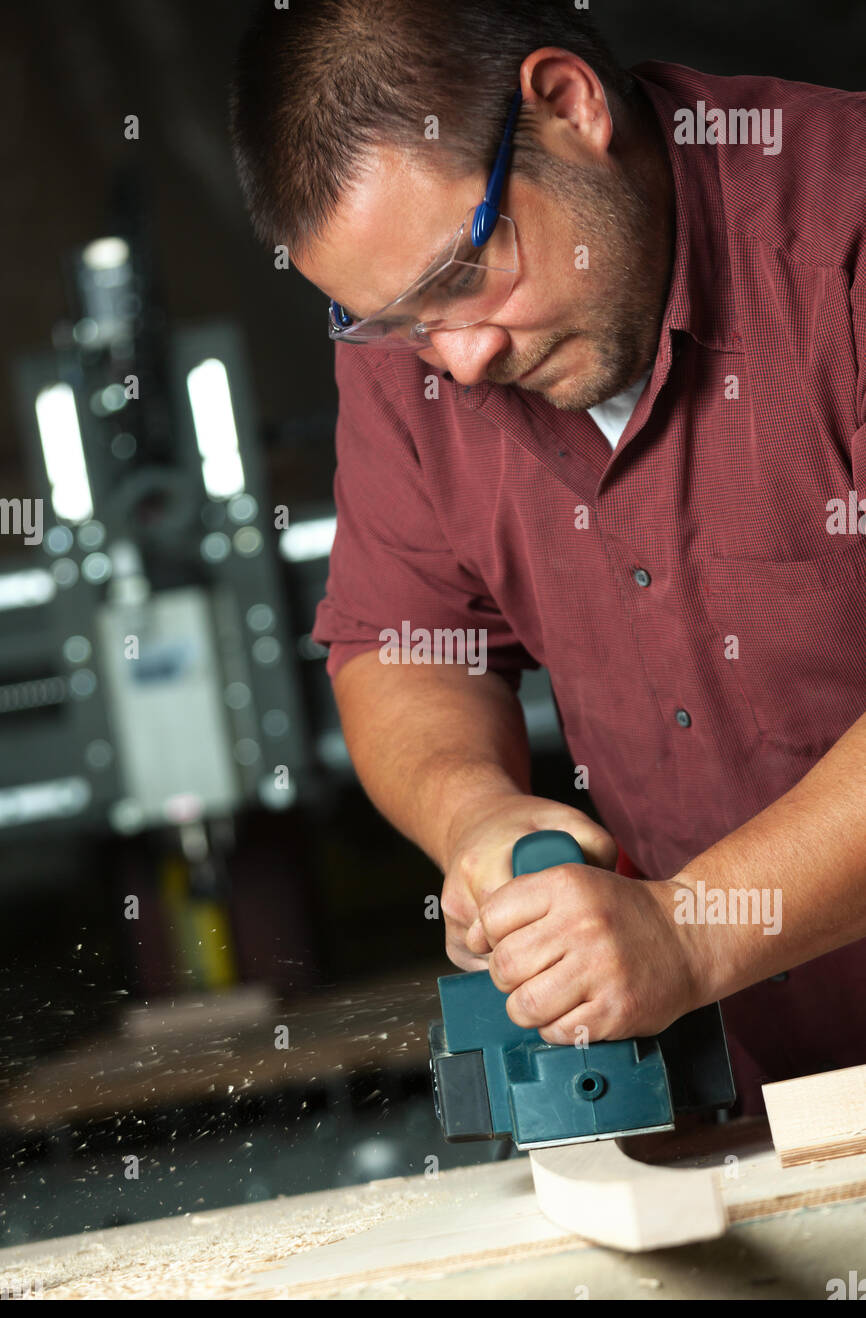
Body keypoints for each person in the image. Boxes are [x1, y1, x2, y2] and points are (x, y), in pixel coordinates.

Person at [230, 0, 866, 1113]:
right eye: (394, 324)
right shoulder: (421, 345)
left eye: (461, 276)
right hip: (792, 1113)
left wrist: (687, 930)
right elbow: (401, 642)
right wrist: (472, 812)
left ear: (566, 107)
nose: (460, 361)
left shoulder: (842, 231)